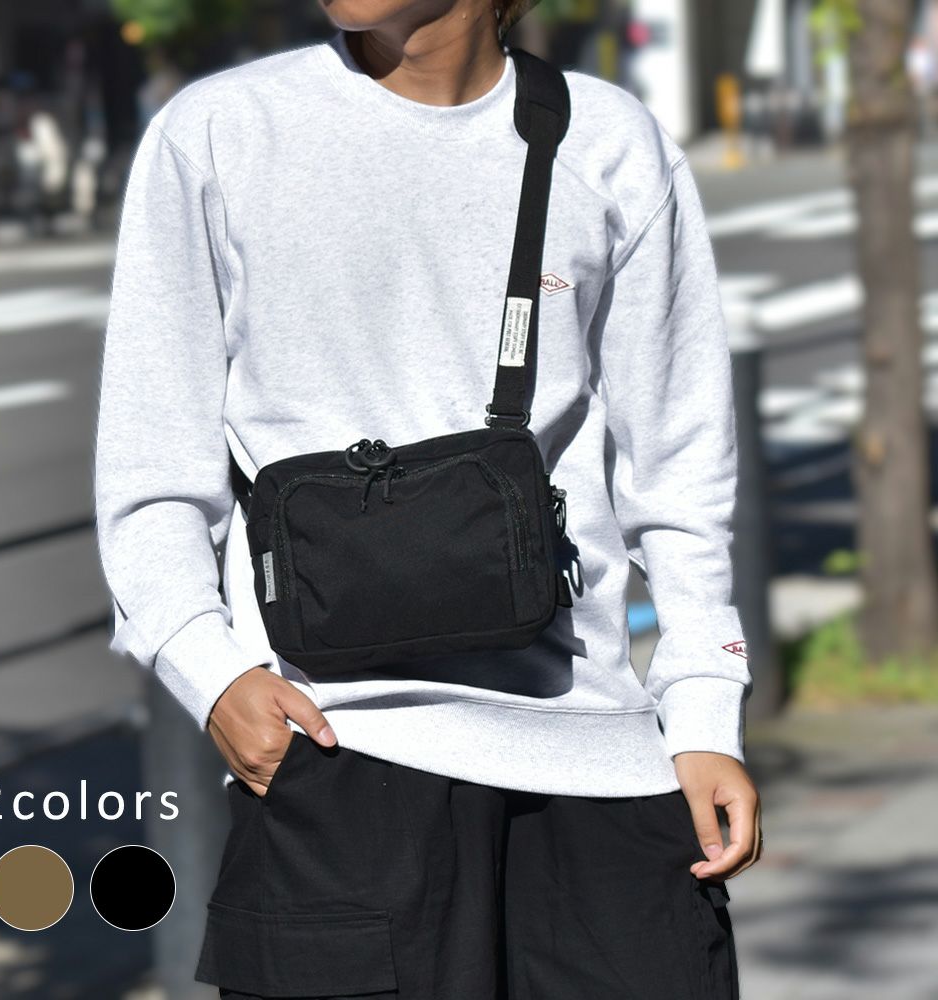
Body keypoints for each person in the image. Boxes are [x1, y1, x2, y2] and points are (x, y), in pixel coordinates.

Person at [93, 1, 763, 997]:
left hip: (598, 768)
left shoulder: (608, 143)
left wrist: (703, 710)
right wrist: (210, 673)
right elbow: (150, 465)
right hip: (335, 758)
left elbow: (680, 462)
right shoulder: (221, 136)